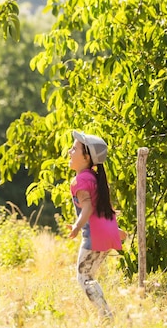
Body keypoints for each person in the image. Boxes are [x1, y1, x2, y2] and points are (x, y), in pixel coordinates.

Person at [68, 130, 124, 318]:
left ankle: (106, 315)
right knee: (89, 276)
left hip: (94, 238)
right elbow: (100, 208)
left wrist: (77, 226)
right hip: (106, 236)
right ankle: (106, 314)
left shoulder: (81, 180)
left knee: (83, 277)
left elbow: (88, 208)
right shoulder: (93, 177)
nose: (69, 151)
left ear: (86, 157)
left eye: (74, 149)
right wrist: (116, 232)